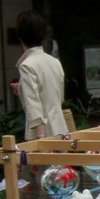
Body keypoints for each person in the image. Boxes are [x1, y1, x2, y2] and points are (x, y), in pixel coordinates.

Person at [13, 10, 66, 140]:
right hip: (61, 130)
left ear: (20, 36)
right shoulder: (55, 62)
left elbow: (34, 108)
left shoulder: (27, 66)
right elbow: (57, 97)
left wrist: (41, 141)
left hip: (42, 136)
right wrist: (22, 89)